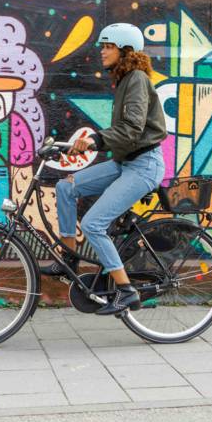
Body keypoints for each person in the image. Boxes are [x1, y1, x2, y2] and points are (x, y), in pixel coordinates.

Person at [40, 23, 168, 316]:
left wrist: (94, 141)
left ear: (125, 50)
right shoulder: (125, 80)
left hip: (143, 165)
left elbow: (132, 128)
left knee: (94, 224)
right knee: (65, 187)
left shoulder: (136, 79)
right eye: (102, 46)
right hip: (126, 162)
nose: (102, 51)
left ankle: (126, 291)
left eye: (108, 46)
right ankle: (69, 259)